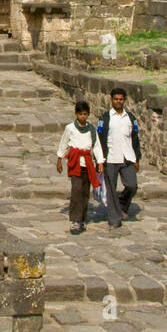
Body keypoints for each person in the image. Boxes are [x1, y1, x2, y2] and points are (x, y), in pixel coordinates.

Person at [56, 99, 104, 235]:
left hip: (88, 164)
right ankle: (75, 220)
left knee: (84, 192)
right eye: (80, 114)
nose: (83, 117)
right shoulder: (70, 128)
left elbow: (96, 145)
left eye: (85, 114)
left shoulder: (91, 129)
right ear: (76, 114)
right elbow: (64, 143)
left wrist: (100, 161)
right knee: (76, 191)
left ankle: (82, 218)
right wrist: (59, 159)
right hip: (75, 163)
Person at [97, 87, 141, 230]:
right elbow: (99, 139)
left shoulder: (130, 118)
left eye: (121, 99)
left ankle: (121, 205)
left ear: (124, 100)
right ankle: (114, 218)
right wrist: (99, 160)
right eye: (116, 99)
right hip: (111, 157)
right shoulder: (104, 118)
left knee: (132, 185)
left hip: (127, 157)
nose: (118, 101)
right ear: (111, 100)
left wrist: (137, 158)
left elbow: (135, 138)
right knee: (111, 189)